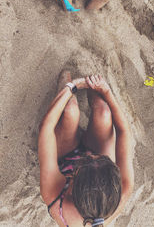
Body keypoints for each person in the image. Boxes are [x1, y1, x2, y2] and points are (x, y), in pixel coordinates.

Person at [38, 71, 134, 227]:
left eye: (87, 159)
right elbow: (123, 132)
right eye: (101, 158)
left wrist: (71, 87)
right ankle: (92, 87)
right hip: (93, 164)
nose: (90, 155)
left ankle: (70, 79)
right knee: (104, 112)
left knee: (70, 110)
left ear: (73, 185)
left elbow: (46, 128)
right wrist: (106, 92)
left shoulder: (56, 198)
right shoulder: (122, 191)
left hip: (65, 158)